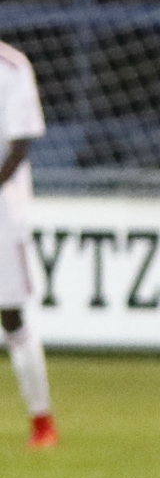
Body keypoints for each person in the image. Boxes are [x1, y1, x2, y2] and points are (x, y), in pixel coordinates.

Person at [0, 40, 55, 449]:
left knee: (11, 313)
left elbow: (20, 145)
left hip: (4, 206)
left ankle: (42, 421)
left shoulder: (13, 67)